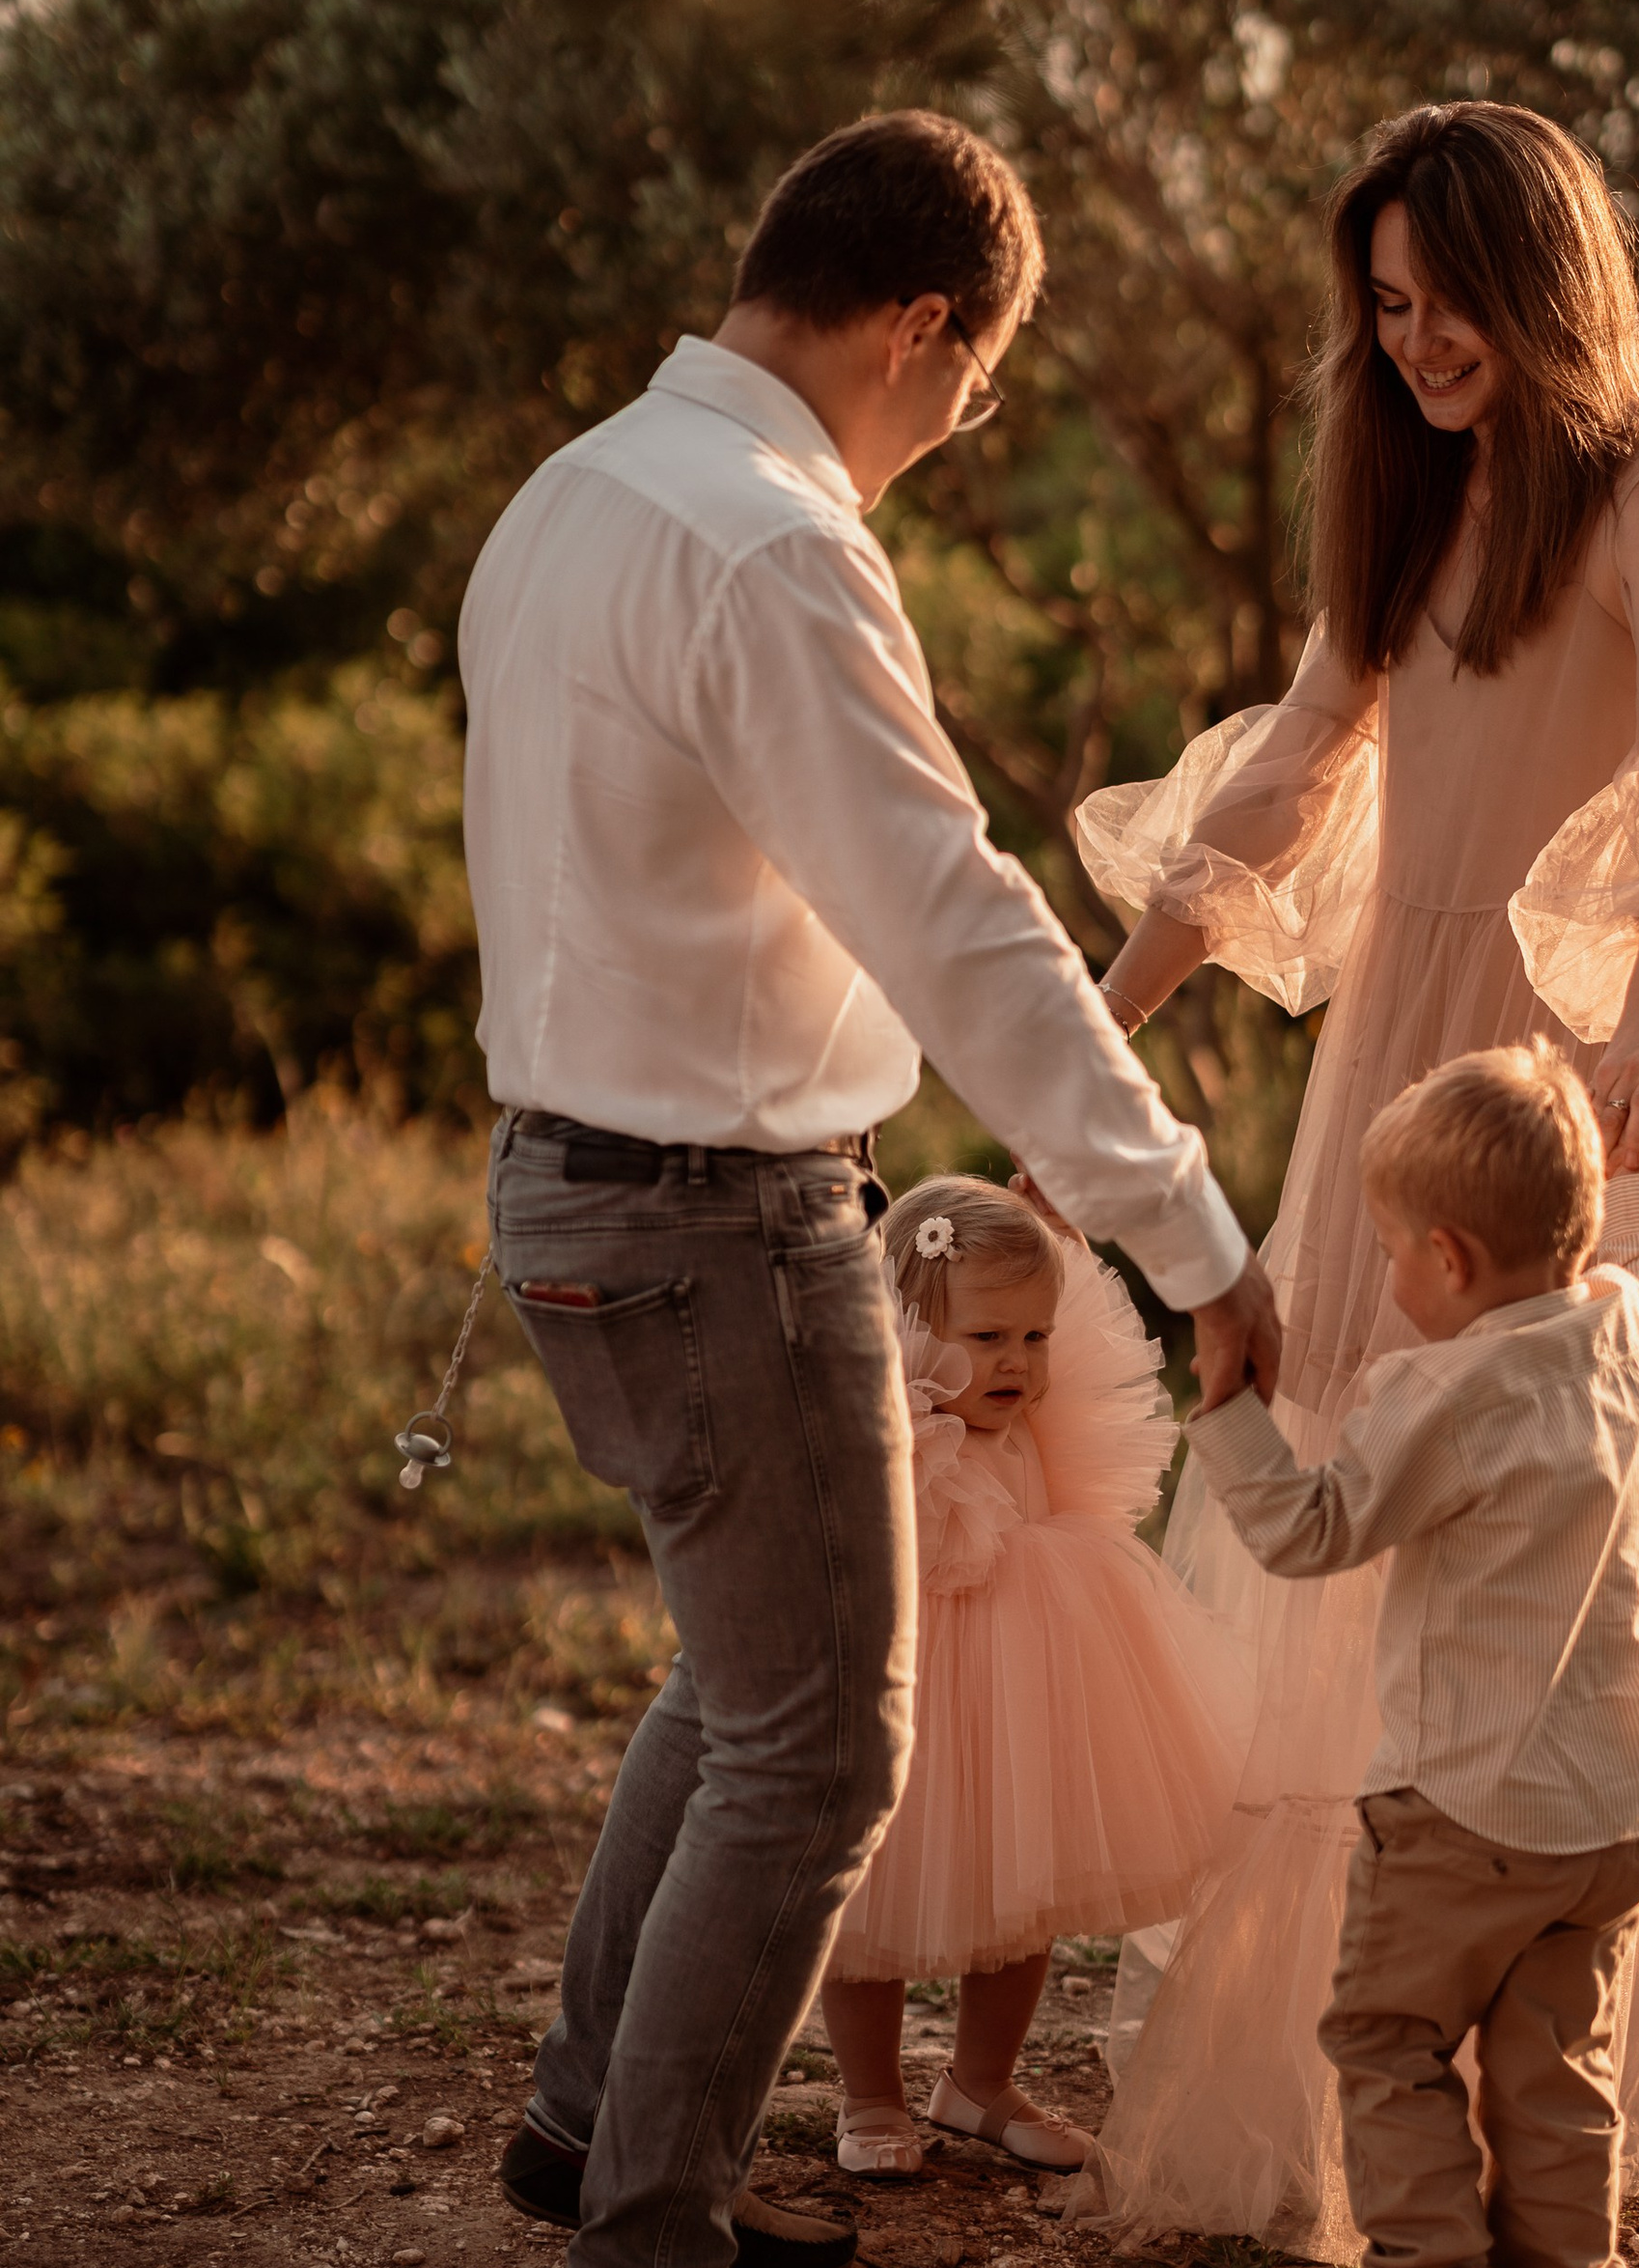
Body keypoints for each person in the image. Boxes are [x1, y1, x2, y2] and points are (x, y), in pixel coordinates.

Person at [459, 110, 1279, 2268]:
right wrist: (1186, 1232)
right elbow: (961, 921)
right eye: (977, 386)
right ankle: (654, 2221)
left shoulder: (568, 498)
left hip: (559, 1191)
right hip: (720, 1219)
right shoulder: (769, 538)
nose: (957, 429)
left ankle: (576, 2123)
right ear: (922, 325)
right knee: (821, 1757)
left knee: (736, 1687)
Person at [1073, 100, 1639, 2257]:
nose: (1411, 345)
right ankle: (1335, 2022)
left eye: (1445, 301)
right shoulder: (1413, 507)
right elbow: (1285, 766)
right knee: (1337, 1473)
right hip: (1388, 1086)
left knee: (1541, 1528)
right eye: (1386, 307)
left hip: (1576, 1071)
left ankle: (1525, 2002)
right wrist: (1091, 1020)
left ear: (1541, 283)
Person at [1183, 1044, 1639, 2268]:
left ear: (1450, 1259)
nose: (1391, 1269)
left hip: (1463, 1817)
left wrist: (1224, 1407)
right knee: (1556, 2076)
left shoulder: (1443, 1391)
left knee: (1386, 2040)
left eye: (1394, 1246)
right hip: (1614, 1819)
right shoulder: (1629, 1330)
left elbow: (1313, 1532)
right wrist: (1635, 1186)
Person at [820, 1174, 1247, 2177]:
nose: (1015, 1360)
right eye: (985, 1338)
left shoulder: (1042, 1427)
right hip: (907, 1692)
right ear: (913, 1331)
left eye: (1034, 1336)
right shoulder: (886, 1429)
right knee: (871, 1895)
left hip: (1033, 1684)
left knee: (1030, 1878)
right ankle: (869, 2092)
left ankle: (979, 2080)